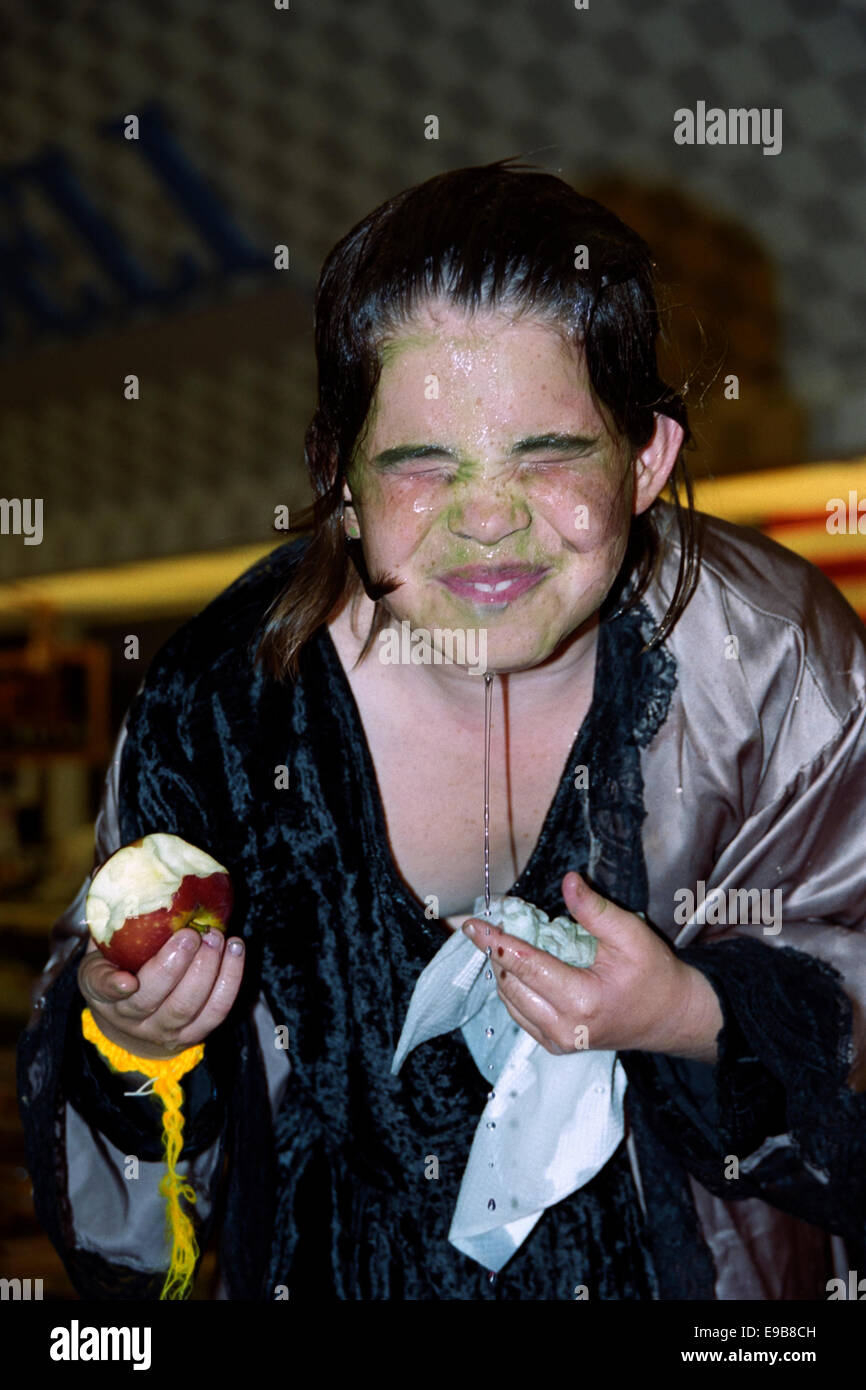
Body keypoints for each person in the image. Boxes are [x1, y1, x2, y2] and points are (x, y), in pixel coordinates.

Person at [17, 160, 866, 1301]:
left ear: (647, 458)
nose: (486, 520)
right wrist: (140, 1043)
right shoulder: (220, 708)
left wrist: (686, 1011)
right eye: (422, 466)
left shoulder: (771, 666)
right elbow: (136, 1228)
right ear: (343, 484)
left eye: (550, 454)